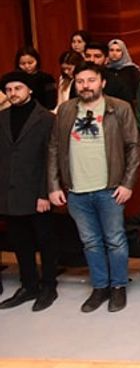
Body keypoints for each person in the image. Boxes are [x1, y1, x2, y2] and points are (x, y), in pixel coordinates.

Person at [47, 62, 140, 313]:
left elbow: (134, 147)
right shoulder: (66, 109)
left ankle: (118, 286)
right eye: (80, 81)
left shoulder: (119, 108)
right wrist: (54, 185)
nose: (85, 86)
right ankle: (100, 287)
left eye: (91, 80)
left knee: (115, 240)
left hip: (110, 189)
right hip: (76, 190)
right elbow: (54, 147)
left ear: (102, 82)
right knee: (90, 242)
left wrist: (127, 183)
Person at [0, 71, 59, 311]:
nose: (13, 93)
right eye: (9, 89)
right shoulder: (2, 118)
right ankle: (29, 285)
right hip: (10, 192)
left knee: (45, 241)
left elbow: (51, 158)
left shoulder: (46, 119)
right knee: (20, 242)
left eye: (18, 88)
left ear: (30, 90)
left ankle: (49, 286)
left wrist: (44, 193)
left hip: (37, 192)